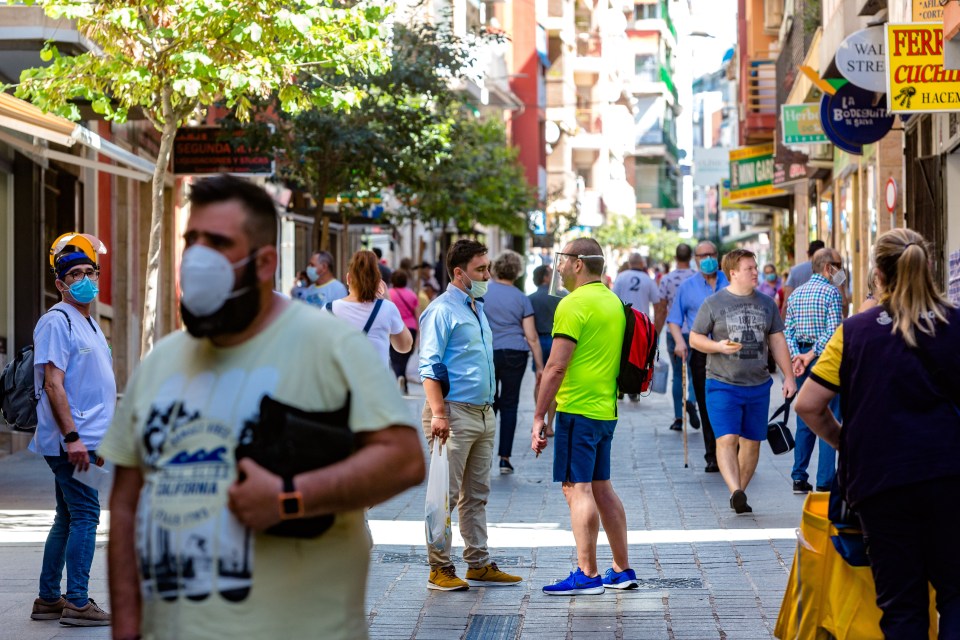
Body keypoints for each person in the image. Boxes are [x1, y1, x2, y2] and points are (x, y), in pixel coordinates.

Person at [98, 175, 425, 640]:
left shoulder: (329, 346)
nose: (197, 257)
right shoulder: (160, 364)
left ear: (265, 261)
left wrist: (291, 497)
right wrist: (126, 627)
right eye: (192, 240)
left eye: (218, 242)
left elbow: (404, 460)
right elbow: (127, 504)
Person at [796, 228, 960, 639]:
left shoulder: (855, 332)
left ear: (878, 275)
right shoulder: (955, 324)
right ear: (929, 270)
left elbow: (807, 406)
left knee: (901, 606)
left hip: (882, 484)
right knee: (957, 595)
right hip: (950, 476)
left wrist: (843, 441)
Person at [532, 238, 637, 595]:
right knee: (602, 487)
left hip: (576, 409)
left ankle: (587, 573)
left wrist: (539, 417)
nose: (557, 267)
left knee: (577, 489)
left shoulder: (573, 304)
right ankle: (622, 569)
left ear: (578, 263)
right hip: (605, 409)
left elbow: (556, 365)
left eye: (561, 261)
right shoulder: (612, 301)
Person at [418, 239, 522, 591]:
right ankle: (439, 568)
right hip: (453, 414)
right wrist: (438, 415)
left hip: (482, 413)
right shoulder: (442, 310)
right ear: (459, 272)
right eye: (480, 270)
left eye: (488, 268)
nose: (487, 275)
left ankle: (478, 563)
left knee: (476, 495)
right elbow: (429, 367)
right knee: (442, 497)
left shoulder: (476, 307)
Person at [29, 233, 115, 627]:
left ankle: (49, 598)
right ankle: (78, 602)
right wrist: (73, 438)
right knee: (86, 513)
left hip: (86, 438)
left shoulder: (89, 321)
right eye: (75, 274)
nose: (86, 279)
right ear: (61, 283)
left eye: (90, 272)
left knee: (67, 515)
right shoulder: (56, 320)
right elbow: (53, 383)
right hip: (70, 441)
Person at [690, 249, 796, 514]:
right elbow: (695, 338)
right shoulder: (713, 303)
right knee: (726, 438)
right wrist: (717, 346)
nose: (755, 272)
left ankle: (740, 492)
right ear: (733, 273)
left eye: (756, 267)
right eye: (749, 268)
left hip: (758, 385)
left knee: (751, 443)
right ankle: (735, 490)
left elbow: (777, 340)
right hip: (722, 384)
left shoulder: (767, 303)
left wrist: (789, 376)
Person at [783, 248, 844, 493]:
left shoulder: (797, 293)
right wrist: (810, 355)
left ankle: (799, 476)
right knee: (829, 416)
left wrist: (798, 356)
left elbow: (788, 330)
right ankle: (825, 481)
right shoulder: (832, 292)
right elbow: (833, 332)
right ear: (828, 267)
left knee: (805, 417)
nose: (841, 270)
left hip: (802, 358)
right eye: (838, 265)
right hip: (824, 358)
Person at [667, 241, 728, 472]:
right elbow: (674, 320)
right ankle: (712, 454)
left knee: (729, 401)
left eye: (712, 253)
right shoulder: (687, 286)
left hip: (729, 350)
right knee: (706, 404)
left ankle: (732, 450)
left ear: (718, 256)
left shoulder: (729, 280)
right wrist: (680, 343)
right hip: (701, 352)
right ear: (695, 258)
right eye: (703, 255)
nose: (708, 258)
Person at [483, 250, 544, 474]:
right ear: (517, 272)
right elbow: (532, 336)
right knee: (510, 404)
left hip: (487, 353)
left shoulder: (483, 294)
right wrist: (539, 366)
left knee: (486, 404)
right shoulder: (521, 298)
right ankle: (505, 458)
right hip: (514, 354)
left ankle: (483, 455)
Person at [328, 250, 412, 369]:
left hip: (339, 385)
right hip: (375, 385)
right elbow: (404, 346)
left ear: (348, 278)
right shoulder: (387, 308)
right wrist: (388, 298)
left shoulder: (328, 310)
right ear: (378, 281)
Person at [654, 243, 700, 432]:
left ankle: (678, 418)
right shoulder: (697, 278)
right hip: (696, 331)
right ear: (691, 258)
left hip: (674, 331)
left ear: (675, 257)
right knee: (695, 373)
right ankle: (691, 400)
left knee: (677, 375)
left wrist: (656, 333)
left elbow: (661, 308)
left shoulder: (667, 279)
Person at [612, 253, 660, 401]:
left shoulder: (621, 277)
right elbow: (657, 302)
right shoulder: (648, 279)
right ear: (641, 263)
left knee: (620, 354)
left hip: (622, 321)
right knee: (638, 356)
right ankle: (633, 388)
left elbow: (613, 299)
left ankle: (618, 387)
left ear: (629, 262)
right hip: (641, 325)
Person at [528, 265, 561, 436]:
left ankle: (538, 419)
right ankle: (550, 425)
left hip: (539, 341)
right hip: (558, 341)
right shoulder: (562, 297)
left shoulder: (530, 299)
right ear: (546, 278)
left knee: (540, 381)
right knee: (555, 383)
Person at [389, 270, 420, 393]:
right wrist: (419, 333)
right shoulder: (412, 294)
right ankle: (403, 381)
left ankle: (399, 376)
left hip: (394, 328)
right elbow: (417, 315)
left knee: (394, 356)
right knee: (405, 356)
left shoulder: (388, 294)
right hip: (410, 328)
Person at [781, 240, 826, 309]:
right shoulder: (831, 270)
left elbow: (787, 301)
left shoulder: (794, 270)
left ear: (808, 253)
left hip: (800, 315)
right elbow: (843, 298)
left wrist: (783, 318)